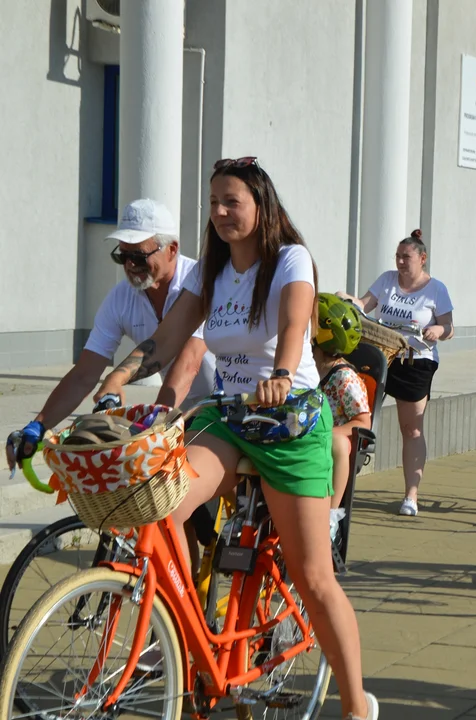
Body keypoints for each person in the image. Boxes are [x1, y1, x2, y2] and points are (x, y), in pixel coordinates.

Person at [92, 157, 378, 720]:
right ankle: (193, 646)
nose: (221, 213)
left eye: (233, 202)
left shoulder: (289, 259)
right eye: (215, 203)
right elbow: (167, 338)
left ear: (260, 206)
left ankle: (355, 705)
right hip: (230, 417)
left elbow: (295, 324)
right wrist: (120, 375)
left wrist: (281, 373)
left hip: (289, 419)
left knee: (313, 577)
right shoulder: (209, 272)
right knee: (160, 504)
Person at [5, 198, 215, 471]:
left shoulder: (199, 281)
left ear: (172, 249)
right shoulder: (120, 297)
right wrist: (38, 424)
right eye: (122, 255)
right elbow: (83, 375)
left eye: (139, 256)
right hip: (178, 408)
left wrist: (149, 435)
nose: (129, 265)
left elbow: (189, 365)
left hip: (224, 403)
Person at [350, 230, 454, 517]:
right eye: (397, 256)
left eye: (405, 257)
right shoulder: (386, 280)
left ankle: (411, 494)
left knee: (411, 428)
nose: (400, 262)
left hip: (415, 360)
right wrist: (349, 301)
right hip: (381, 355)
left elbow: (449, 327)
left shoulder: (436, 289)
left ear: (422, 259)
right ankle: (344, 482)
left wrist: (438, 330)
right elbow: (364, 304)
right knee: (357, 415)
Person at [313, 292, 372, 531]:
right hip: (308, 432)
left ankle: (331, 516)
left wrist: (330, 432)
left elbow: (363, 422)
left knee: (337, 442)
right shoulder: (306, 370)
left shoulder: (345, 378)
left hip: (335, 438)